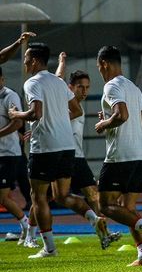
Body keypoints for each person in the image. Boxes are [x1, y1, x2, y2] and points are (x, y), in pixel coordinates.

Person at [8, 43, 110, 259]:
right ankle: (94, 218)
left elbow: (35, 113)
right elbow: (76, 109)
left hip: (45, 147)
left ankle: (49, 248)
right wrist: (58, 121)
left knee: (38, 197)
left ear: (34, 61)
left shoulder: (32, 83)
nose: (24, 62)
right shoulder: (58, 82)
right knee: (62, 195)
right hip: (66, 147)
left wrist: (16, 115)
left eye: (26, 58)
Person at [95, 46, 142, 266]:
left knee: (105, 205)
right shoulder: (133, 87)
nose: (100, 72)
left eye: (99, 68)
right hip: (139, 154)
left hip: (120, 155)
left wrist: (104, 123)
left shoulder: (111, 86)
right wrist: (109, 118)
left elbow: (121, 115)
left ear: (104, 63)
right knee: (129, 208)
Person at [55, 53, 120, 245]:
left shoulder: (78, 106)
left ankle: (104, 234)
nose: (84, 91)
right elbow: (57, 80)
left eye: (87, 88)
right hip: (61, 156)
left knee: (93, 195)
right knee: (44, 197)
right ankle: (31, 233)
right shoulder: (63, 103)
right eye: (80, 87)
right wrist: (62, 63)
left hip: (78, 157)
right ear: (70, 88)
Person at [0, 66, 30, 242]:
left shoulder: (9, 96)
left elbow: (18, 122)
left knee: (3, 197)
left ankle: (27, 226)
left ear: (2, 79)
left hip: (8, 154)